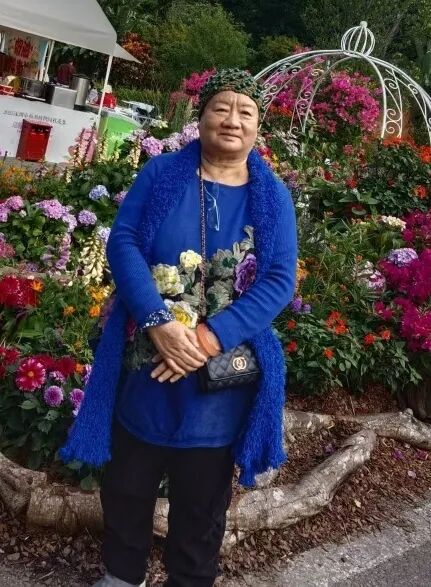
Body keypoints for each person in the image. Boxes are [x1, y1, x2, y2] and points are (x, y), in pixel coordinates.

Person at [61, 68, 298, 587]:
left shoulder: (272, 195)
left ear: (258, 127)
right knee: (128, 483)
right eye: (221, 108)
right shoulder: (162, 173)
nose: (232, 120)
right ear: (201, 116)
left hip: (219, 373)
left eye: (245, 112)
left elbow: (279, 280)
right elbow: (124, 242)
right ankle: (122, 575)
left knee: (202, 497)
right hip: (147, 355)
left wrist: (208, 338)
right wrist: (158, 323)